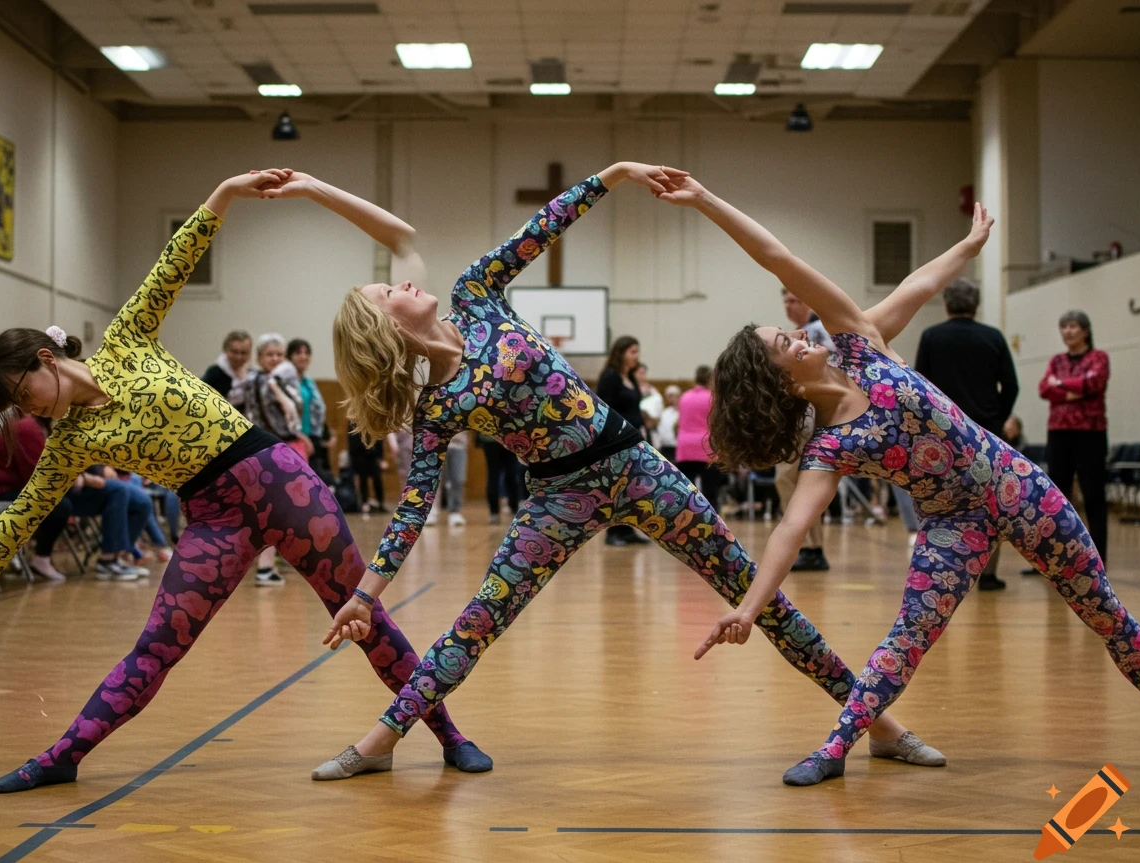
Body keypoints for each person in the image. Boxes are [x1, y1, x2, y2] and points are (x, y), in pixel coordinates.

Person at [303, 161, 937, 779]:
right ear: (387, 329)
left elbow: (544, 226)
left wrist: (613, 175)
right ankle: (381, 739)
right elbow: (413, 505)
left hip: (636, 464)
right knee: (479, 619)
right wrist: (365, 595)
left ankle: (877, 725)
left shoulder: (477, 295)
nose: (404, 283)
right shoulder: (436, 402)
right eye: (388, 293)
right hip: (558, 498)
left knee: (762, 600)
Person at [0, 169, 490, 791]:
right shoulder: (67, 441)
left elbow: (176, 259)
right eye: (18, 410)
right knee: (157, 646)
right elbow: (22, 512)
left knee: (364, 617)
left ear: (46, 361)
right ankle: (63, 755)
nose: (29, 411)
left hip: (279, 480)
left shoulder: (127, 341)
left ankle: (450, 735)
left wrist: (226, 192)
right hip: (214, 516)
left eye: (23, 394)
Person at [673, 174, 1140, 787]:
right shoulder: (830, 447)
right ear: (783, 378)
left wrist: (969, 246)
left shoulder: (859, 341)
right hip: (951, 526)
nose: (799, 332)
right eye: (786, 342)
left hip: (1020, 489)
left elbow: (796, 260)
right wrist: (748, 607)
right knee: (905, 640)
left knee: (1107, 616)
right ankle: (836, 749)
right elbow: (791, 529)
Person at [914, 277, 1019, 590]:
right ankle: (988, 574)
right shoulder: (993, 337)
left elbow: (922, 387)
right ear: (977, 305)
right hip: (986, 431)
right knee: (990, 502)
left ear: (946, 304)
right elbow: (1011, 385)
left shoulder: (932, 336)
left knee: (941, 502)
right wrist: (997, 419)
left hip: (944, 433)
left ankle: (942, 569)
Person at [230, 332, 311, 586]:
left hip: (281, 447)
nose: (275, 359)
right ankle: (264, 567)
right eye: (269, 355)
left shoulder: (272, 379)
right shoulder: (261, 381)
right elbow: (283, 412)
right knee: (272, 512)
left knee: (276, 511)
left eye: (279, 354)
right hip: (270, 449)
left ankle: (270, 564)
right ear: (260, 357)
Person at [1040, 310, 1109, 562]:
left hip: (1090, 434)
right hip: (1059, 433)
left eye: (1072, 326)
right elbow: (1044, 388)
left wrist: (1060, 384)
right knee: (1058, 498)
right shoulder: (1057, 360)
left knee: (1093, 496)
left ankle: (1098, 558)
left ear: (1085, 330)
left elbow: (1092, 384)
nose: (1067, 331)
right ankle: (1057, 557)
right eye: (1064, 327)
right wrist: (1071, 388)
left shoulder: (1098, 357)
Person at [775, 289, 835, 572]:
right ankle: (810, 547)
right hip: (805, 417)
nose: (789, 305)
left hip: (812, 417)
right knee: (792, 480)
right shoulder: (806, 331)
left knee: (790, 478)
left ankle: (811, 547)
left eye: (795, 299)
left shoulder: (819, 331)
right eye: (786, 300)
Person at [0, 415, 72, 582]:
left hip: (17, 486)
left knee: (66, 501)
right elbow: (36, 473)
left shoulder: (40, 427)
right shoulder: (26, 427)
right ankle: (41, 559)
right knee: (60, 506)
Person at [596, 337, 650, 546]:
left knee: (632, 489)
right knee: (617, 488)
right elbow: (604, 410)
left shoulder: (631, 378)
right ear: (621, 353)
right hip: (616, 442)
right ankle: (613, 533)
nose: (636, 356)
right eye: (633, 352)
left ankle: (628, 530)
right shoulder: (610, 377)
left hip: (635, 440)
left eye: (637, 351)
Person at [278, 338, 335, 480]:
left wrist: (327, 434)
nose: (303, 356)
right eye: (298, 353)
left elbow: (317, 410)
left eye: (306, 353)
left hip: (313, 438)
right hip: (293, 439)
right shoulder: (284, 382)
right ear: (289, 357)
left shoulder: (308, 383)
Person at [676, 365, 725, 510]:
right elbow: (717, 423)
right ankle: (712, 525)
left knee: (685, 492)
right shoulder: (712, 398)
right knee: (710, 492)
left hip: (685, 448)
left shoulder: (684, 397)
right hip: (706, 447)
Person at [478, 433, 521, 523]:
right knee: (511, 474)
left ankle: (494, 513)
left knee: (493, 475)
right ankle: (514, 509)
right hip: (508, 436)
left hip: (489, 438)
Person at [202, 330, 253, 398]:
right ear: (225, 350)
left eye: (243, 353)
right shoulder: (213, 373)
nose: (238, 357)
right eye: (234, 352)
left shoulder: (252, 374)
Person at [436, 430, 469, 527]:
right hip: (437, 446)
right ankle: (432, 511)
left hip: (459, 445)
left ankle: (455, 512)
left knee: (458, 479)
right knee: (436, 481)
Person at [636, 363, 663, 443]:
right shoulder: (631, 390)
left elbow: (659, 407)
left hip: (651, 424)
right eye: (639, 373)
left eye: (643, 373)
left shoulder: (652, 390)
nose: (641, 376)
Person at [656, 385, 681, 464]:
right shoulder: (665, 412)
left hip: (678, 446)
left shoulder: (683, 411)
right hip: (666, 447)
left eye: (674, 396)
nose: (672, 399)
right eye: (669, 396)